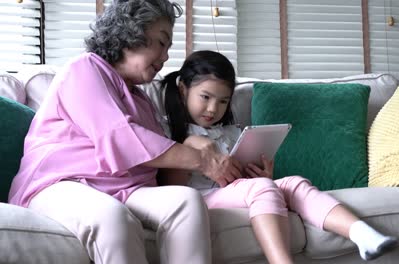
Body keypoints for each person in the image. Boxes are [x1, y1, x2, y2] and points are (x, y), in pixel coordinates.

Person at [8, 1, 243, 264]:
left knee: (186, 202)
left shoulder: (140, 98)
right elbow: (119, 138)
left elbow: (158, 161)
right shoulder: (84, 69)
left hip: (125, 189)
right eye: (161, 43)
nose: (166, 57)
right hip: (62, 184)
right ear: (131, 34)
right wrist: (201, 159)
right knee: (112, 217)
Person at [159, 50, 398, 264]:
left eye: (223, 101)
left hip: (237, 192)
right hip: (200, 201)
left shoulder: (232, 132)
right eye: (205, 97)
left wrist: (262, 175)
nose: (213, 109)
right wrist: (192, 148)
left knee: (293, 183)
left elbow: (241, 179)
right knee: (263, 187)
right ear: (183, 90)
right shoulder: (171, 133)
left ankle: (361, 234)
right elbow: (172, 190)